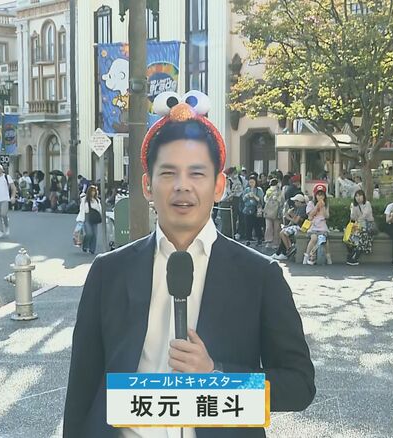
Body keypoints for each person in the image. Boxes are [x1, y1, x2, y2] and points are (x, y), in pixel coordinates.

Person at [63, 95, 315, 438]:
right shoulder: (109, 272)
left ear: (218, 186)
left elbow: (299, 385)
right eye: (168, 173)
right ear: (147, 185)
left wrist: (217, 376)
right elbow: (81, 388)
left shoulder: (260, 276)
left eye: (197, 173)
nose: (182, 185)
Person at [271, 193, 308, 261]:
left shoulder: (302, 208)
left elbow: (296, 221)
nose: (294, 203)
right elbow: (295, 219)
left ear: (299, 202)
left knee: (282, 233)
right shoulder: (299, 208)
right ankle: (281, 252)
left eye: (295, 201)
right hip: (298, 226)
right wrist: (290, 218)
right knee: (284, 232)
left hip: (301, 227)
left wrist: (288, 217)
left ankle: (288, 249)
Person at [304, 184, 332, 265]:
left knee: (324, 240)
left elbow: (327, 216)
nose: (320, 197)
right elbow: (310, 216)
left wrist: (323, 207)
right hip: (313, 226)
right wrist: (317, 206)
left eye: (322, 195)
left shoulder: (326, 204)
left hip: (322, 227)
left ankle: (328, 258)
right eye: (318, 195)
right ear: (315, 195)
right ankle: (306, 256)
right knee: (314, 239)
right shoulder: (311, 203)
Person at [346, 189, 374, 266]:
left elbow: (365, 215)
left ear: (363, 197)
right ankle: (352, 255)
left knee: (362, 236)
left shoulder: (367, 204)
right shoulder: (354, 206)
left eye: (360, 196)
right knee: (350, 237)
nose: (358, 198)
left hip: (368, 225)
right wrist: (352, 210)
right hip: (358, 225)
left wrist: (359, 221)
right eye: (356, 196)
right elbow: (353, 218)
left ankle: (355, 257)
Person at [77, 185, 102, 254]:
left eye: (94, 191)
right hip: (87, 217)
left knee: (94, 234)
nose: (93, 193)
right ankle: (85, 245)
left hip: (95, 218)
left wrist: (101, 217)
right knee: (89, 233)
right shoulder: (85, 199)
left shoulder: (97, 200)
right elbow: (82, 209)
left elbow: (99, 209)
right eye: (92, 191)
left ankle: (92, 249)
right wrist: (81, 220)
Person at [241, 175, 264, 245]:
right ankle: (248, 239)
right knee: (248, 225)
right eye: (250, 182)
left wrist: (254, 195)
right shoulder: (246, 189)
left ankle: (259, 239)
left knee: (257, 225)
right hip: (248, 209)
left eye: (253, 182)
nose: (251, 184)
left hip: (256, 209)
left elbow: (260, 200)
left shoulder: (259, 190)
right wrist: (247, 196)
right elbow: (243, 199)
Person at [262, 177, 283, 248]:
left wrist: (277, 198)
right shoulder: (268, 191)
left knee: (276, 228)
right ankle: (268, 241)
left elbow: (282, 201)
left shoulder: (280, 192)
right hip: (268, 211)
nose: (273, 186)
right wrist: (269, 196)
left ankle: (276, 242)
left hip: (277, 212)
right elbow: (265, 200)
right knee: (268, 227)